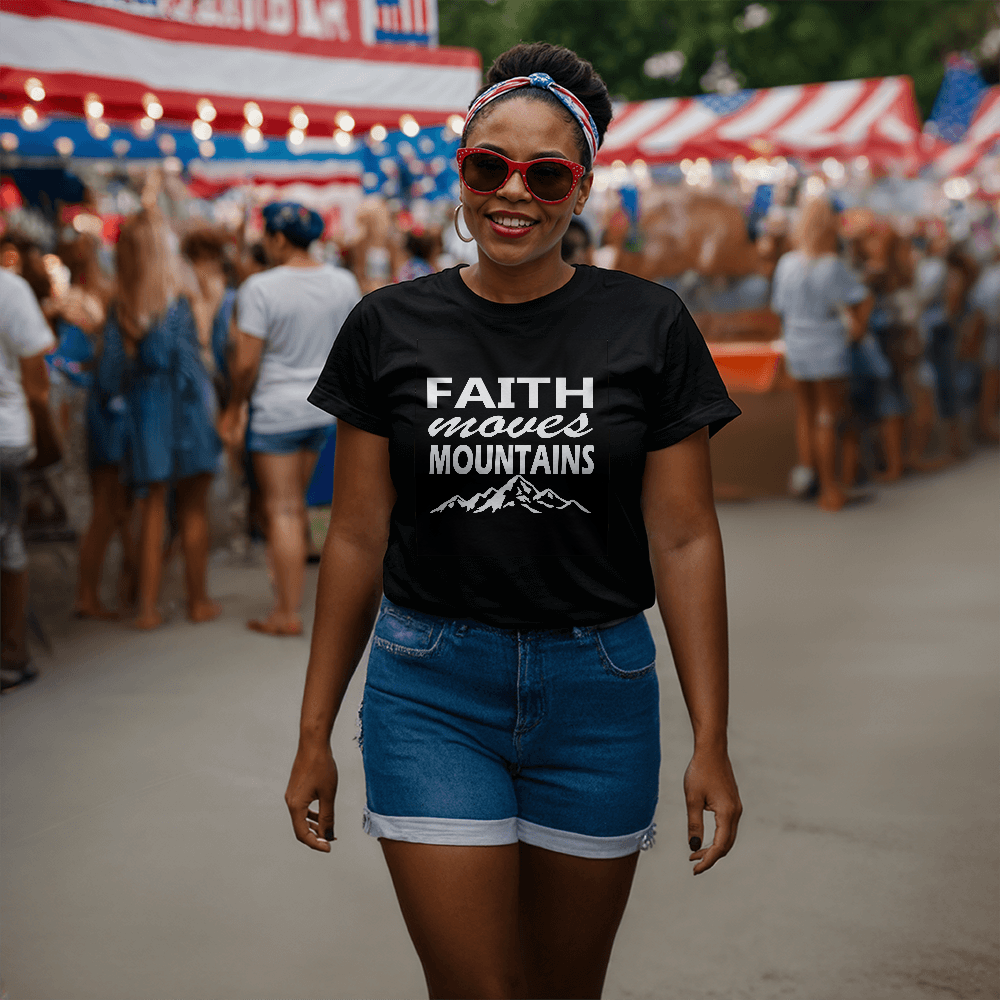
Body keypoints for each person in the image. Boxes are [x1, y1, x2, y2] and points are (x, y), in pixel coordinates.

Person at [285, 42, 743, 1000]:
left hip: (601, 693)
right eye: (489, 166)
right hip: (430, 693)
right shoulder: (386, 324)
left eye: (546, 174)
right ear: (461, 169)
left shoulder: (649, 324)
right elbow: (359, 537)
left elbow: (686, 537)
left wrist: (711, 738)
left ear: (581, 188)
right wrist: (314, 729)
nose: (513, 194)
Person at [219, 202, 360, 637]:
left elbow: (245, 364)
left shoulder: (260, 288)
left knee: (281, 509)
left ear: (278, 238)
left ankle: (286, 611)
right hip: (328, 408)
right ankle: (332, 608)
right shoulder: (343, 282)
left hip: (277, 412)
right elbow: (355, 344)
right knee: (320, 508)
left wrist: (233, 406)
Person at [116, 207, 222, 629]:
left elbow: (114, 371)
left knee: (152, 507)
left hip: (146, 411)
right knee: (193, 509)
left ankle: (146, 608)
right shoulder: (181, 297)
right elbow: (193, 360)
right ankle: (197, 601)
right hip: (186, 407)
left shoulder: (122, 299)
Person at [771, 197, 872, 510]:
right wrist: (857, 328)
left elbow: (778, 308)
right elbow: (861, 298)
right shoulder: (832, 265)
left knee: (805, 412)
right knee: (828, 415)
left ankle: (810, 477)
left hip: (797, 344)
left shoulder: (786, 263)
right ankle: (831, 488)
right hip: (827, 346)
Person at [0, 267, 58, 691]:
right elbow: (37, 378)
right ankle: (12, 651)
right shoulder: (9, 288)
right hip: (5, 433)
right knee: (7, 541)